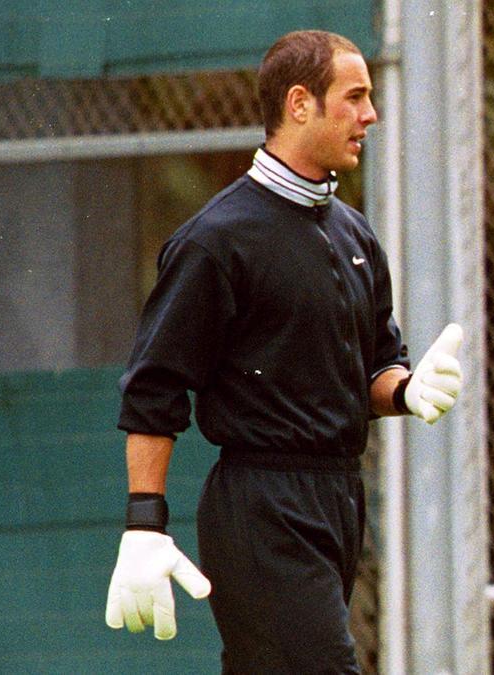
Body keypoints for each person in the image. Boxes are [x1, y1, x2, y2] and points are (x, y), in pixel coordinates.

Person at [103, 30, 464, 673]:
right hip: (261, 505)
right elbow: (155, 390)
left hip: (337, 498)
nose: (370, 115)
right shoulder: (216, 240)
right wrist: (143, 525)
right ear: (300, 104)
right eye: (354, 98)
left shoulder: (354, 233)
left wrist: (407, 389)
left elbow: (376, 366)